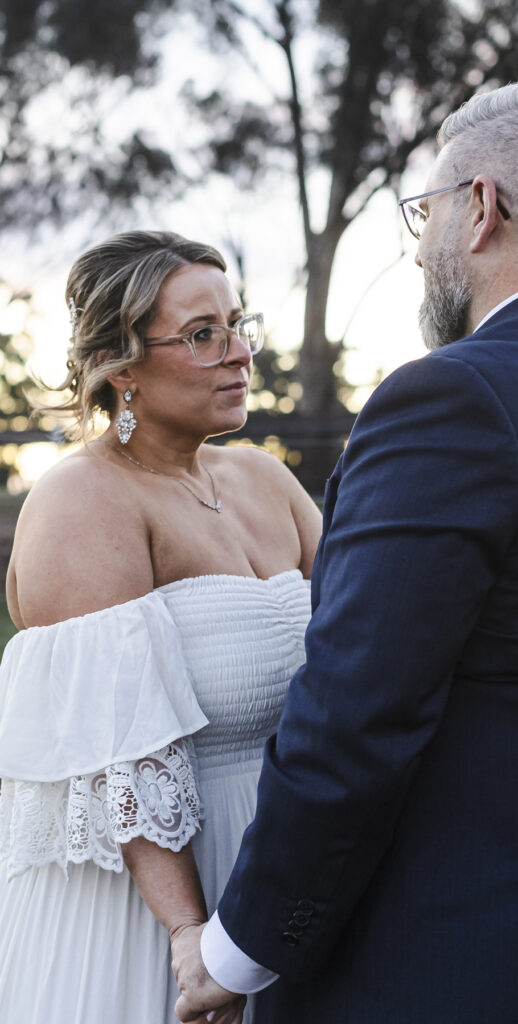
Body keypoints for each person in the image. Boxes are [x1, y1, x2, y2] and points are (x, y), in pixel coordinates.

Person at [173, 79, 518, 1024]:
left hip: (468, 952)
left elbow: (355, 714)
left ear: (483, 209)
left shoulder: (453, 399)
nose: (419, 249)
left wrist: (237, 949)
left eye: (427, 211)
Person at [0, 230, 321, 1024]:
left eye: (238, 323)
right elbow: (123, 753)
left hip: (281, 878)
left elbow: (362, 640)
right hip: (159, 901)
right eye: (201, 334)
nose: (238, 352)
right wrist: (191, 935)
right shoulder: (83, 501)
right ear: (122, 366)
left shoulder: (264, 479)